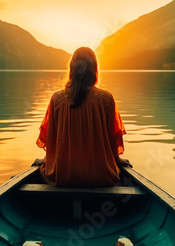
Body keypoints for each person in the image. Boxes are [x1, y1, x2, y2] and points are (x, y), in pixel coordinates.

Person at [32, 47, 131, 187]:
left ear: (72, 69)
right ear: (94, 69)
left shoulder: (57, 99)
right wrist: (117, 160)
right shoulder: (106, 98)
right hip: (101, 176)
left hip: (62, 176)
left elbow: (50, 137)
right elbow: (113, 137)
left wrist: (45, 159)